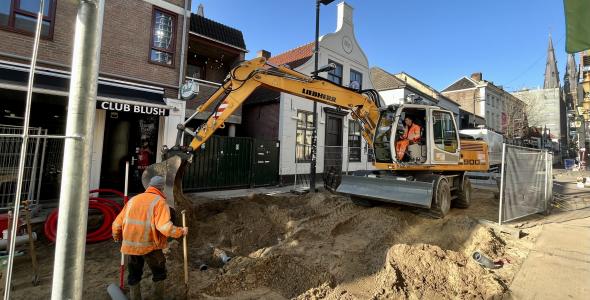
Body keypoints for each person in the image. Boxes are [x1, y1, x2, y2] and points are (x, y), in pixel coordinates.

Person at [112, 176, 188, 300]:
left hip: (131, 246)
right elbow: (165, 228)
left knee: (134, 275)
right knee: (159, 273)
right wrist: (181, 231)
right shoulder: (159, 202)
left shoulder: (133, 200)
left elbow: (116, 224)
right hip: (150, 246)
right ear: (162, 188)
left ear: (149, 187)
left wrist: (117, 237)